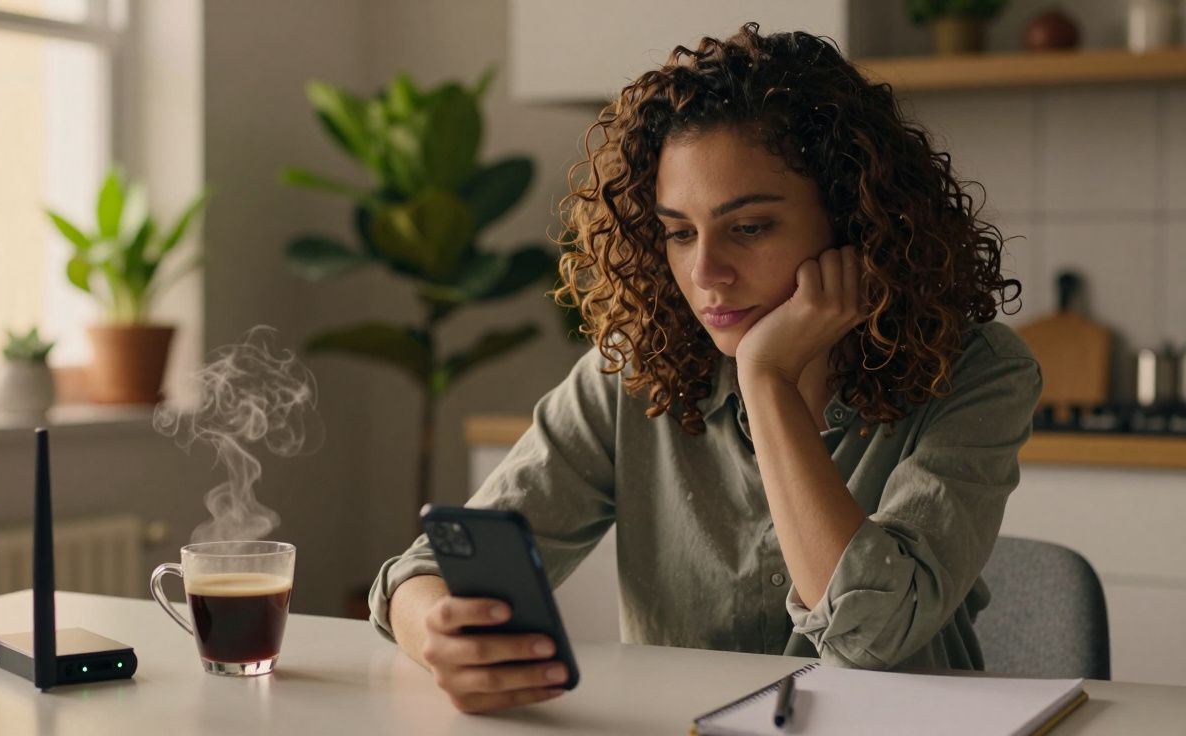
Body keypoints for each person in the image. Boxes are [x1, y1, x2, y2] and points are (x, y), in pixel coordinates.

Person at [368, 23, 1042, 714]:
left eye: (749, 228)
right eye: (679, 233)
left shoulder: (974, 373)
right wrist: (438, 633)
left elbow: (872, 636)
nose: (705, 273)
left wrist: (767, 379)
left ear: (853, 221)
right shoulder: (631, 375)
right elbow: (419, 577)